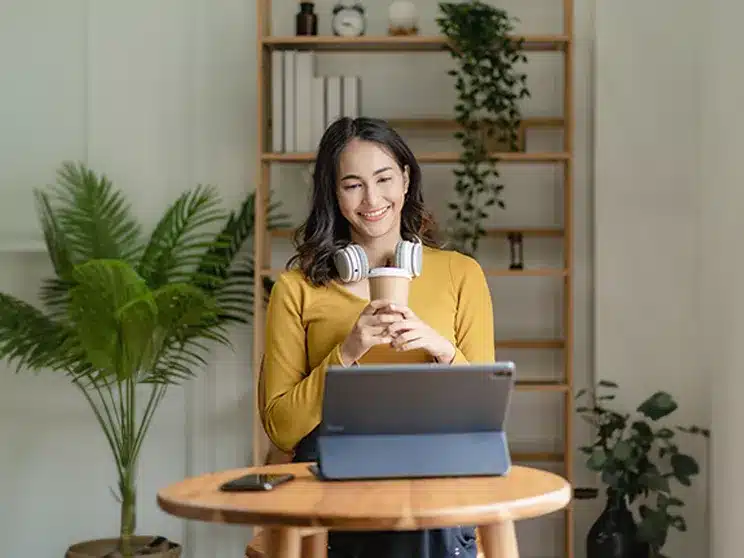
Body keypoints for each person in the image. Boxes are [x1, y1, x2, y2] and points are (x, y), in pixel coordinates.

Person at [259, 116, 495, 558]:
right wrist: (347, 352)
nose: (372, 199)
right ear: (334, 194)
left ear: (405, 180)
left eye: (384, 178)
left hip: (436, 473)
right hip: (338, 478)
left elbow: (484, 419)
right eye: (352, 185)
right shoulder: (297, 288)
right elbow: (283, 429)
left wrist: (440, 348)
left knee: (425, 499)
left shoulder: (461, 274)